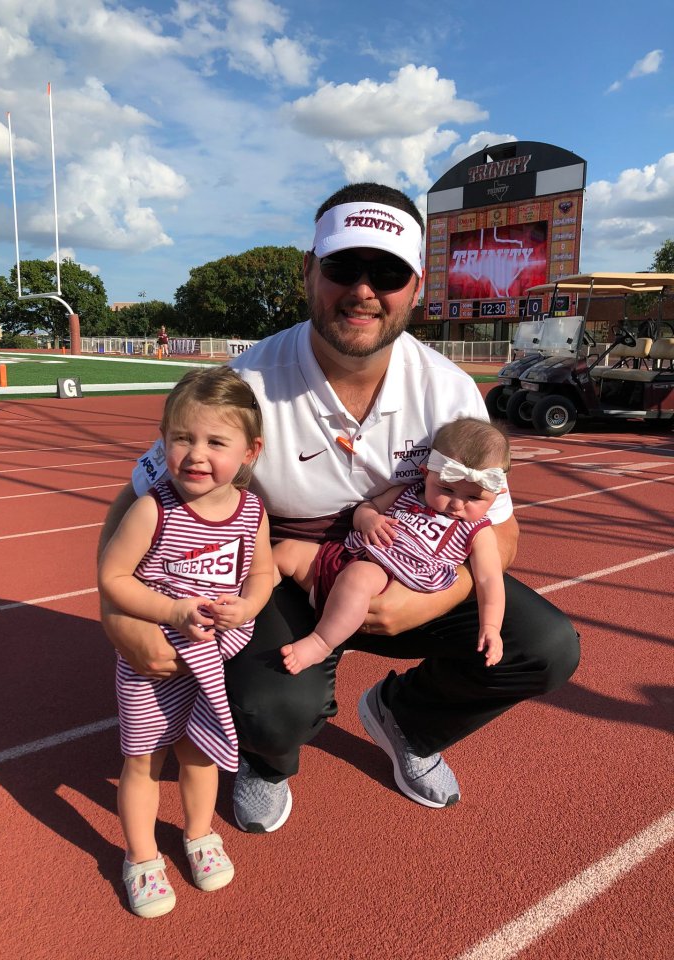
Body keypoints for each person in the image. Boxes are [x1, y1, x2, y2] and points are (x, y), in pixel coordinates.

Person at [99, 181, 579, 836]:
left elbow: (501, 529)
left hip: (415, 567)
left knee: (545, 647)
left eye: (387, 273)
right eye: (344, 266)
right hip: (288, 567)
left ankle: (407, 721)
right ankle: (268, 761)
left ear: (415, 289)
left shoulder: (448, 391)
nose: (363, 290)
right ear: (309, 272)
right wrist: (117, 616)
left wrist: (434, 600)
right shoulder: (245, 384)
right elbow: (137, 499)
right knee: (270, 708)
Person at [98, 365, 273, 917]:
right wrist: (171, 610)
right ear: (163, 441)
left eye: (216, 441)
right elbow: (114, 578)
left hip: (213, 661)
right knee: (144, 760)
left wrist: (247, 604)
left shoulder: (252, 512)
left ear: (251, 451)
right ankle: (142, 856)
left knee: (200, 753)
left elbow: (262, 574)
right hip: (154, 663)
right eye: (181, 438)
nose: (196, 454)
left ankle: (199, 834)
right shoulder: (154, 508)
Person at [275, 417, 510, 675]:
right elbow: (369, 507)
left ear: (496, 495)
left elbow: (489, 580)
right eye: (446, 489)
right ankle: (246, 599)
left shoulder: (478, 532)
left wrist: (490, 627)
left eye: (474, 497)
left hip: (384, 581)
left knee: (359, 576)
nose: (456, 504)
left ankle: (321, 642)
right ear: (425, 473)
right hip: (344, 557)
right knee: (287, 551)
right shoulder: (405, 493)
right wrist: (368, 519)